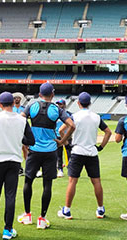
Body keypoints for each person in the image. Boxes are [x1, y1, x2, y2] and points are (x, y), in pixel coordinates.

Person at [18, 82, 75, 229]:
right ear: (53, 94)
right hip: (50, 151)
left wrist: (25, 140)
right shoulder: (57, 109)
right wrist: (62, 141)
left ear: (40, 93)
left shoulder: (32, 106)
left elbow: (19, 120)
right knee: (47, 185)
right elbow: (72, 125)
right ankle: (42, 219)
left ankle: (27, 215)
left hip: (34, 149)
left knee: (28, 182)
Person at [0, 92, 34, 239]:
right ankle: (7, 230)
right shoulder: (22, 120)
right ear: (13, 103)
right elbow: (31, 140)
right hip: (14, 161)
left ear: (0, 104)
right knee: (10, 196)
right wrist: (17, 137)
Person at [57, 92, 112, 219]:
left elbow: (61, 130)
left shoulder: (74, 116)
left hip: (77, 151)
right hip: (92, 151)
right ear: (90, 103)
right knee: (96, 181)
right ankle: (100, 209)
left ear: (78, 103)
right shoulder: (96, 117)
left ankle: (67, 210)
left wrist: (66, 143)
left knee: (72, 181)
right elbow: (108, 132)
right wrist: (101, 147)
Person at [55, 99, 73, 178]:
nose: (59, 106)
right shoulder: (55, 114)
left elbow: (72, 125)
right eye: (58, 104)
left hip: (67, 136)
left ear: (64, 105)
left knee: (69, 152)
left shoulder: (68, 114)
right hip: (57, 136)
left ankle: (70, 168)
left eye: (61, 104)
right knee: (59, 154)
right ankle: (60, 169)